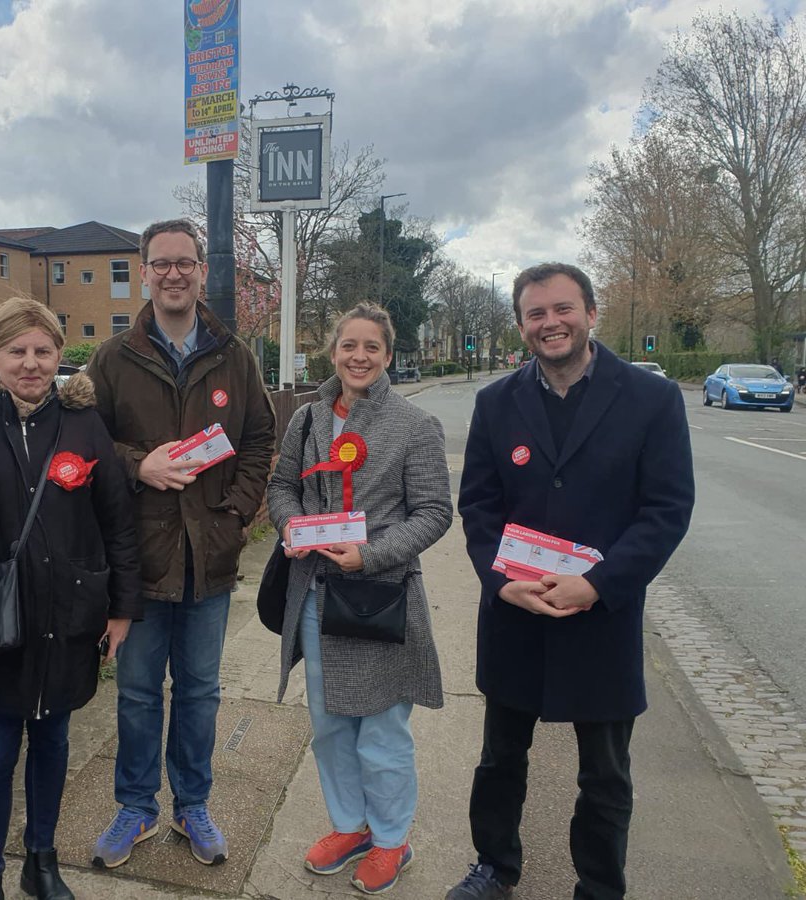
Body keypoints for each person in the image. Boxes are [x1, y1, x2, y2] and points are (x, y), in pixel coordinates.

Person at [447, 263, 694, 900]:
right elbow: (477, 506)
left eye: (563, 309)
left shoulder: (652, 399)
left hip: (602, 619)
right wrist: (502, 581)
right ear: (522, 325)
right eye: (536, 313)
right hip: (515, 615)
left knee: (606, 775)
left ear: (590, 312)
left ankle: (600, 886)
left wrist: (600, 583)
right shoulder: (495, 403)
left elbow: (666, 509)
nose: (550, 322)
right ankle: (494, 868)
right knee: (501, 759)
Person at [0, 298, 143, 900]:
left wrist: (121, 606)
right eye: (16, 351)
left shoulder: (82, 423)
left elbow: (117, 521)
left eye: (43, 351)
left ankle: (41, 860)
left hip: (67, 618)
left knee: (53, 745)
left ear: (59, 356)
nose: (31, 364)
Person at [86, 218, 276, 869]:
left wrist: (235, 517)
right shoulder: (112, 359)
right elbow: (87, 447)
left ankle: (192, 804)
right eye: (160, 263)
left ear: (200, 271)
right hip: (137, 562)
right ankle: (136, 807)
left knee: (199, 693)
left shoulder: (236, 356)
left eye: (184, 263)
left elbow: (257, 442)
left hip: (209, 561)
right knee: (137, 694)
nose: (173, 273)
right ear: (144, 271)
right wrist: (140, 464)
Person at [266, 302, 453, 895]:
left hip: (380, 598)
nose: (359, 356)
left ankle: (393, 839)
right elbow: (281, 487)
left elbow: (434, 512)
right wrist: (291, 527)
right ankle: (351, 826)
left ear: (389, 356)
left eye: (372, 347)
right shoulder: (308, 419)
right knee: (328, 724)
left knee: (381, 729)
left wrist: (370, 554)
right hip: (317, 595)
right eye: (349, 345)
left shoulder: (414, 425)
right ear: (334, 352)